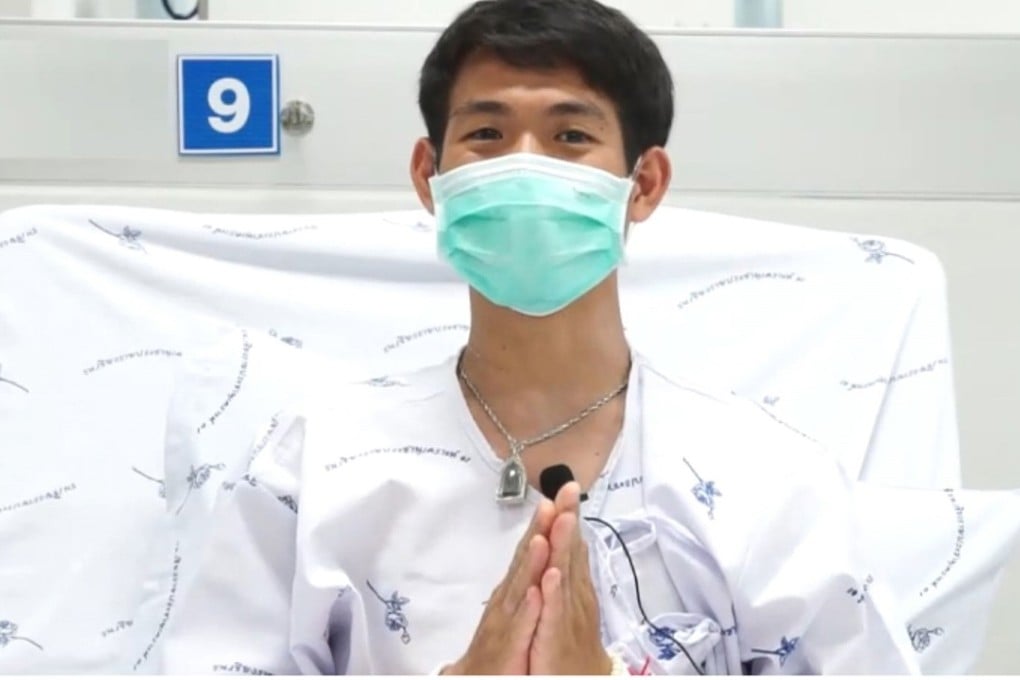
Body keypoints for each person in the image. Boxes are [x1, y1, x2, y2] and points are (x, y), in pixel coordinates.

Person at [159, 0, 919, 674]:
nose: (524, 167)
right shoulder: (316, 464)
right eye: (486, 133)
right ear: (430, 176)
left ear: (644, 184)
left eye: (570, 136)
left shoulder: (766, 481)